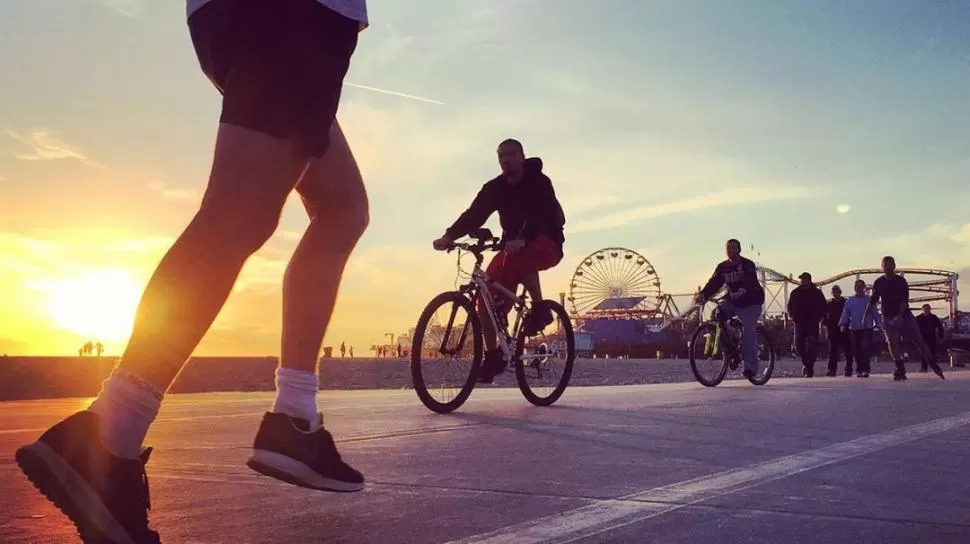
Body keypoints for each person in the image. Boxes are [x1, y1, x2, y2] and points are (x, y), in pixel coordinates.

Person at [16, 1, 370, 542]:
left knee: (342, 207)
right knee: (241, 211)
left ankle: (294, 417)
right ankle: (110, 432)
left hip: (264, 19)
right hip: (294, 15)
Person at [432, 139, 566, 383]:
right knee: (486, 294)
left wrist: (524, 239)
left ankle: (539, 308)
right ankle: (492, 355)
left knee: (520, 258)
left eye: (511, 154)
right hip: (512, 246)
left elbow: (544, 214)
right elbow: (474, 214)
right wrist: (449, 236)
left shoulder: (539, 182)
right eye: (501, 156)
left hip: (546, 241)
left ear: (522, 156)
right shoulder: (495, 188)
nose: (506, 159)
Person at [694, 239, 766, 380]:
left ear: (739, 250)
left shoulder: (747, 265)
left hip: (752, 302)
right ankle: (730, 346)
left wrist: (742, 290)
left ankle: (750, 368)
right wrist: (703, 294)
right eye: (728, 248)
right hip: (733, 300)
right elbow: (714, 283)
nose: (730, 250)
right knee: (717, 313)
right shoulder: (722, 267)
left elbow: (750, 281)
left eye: (733, 248)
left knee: (749, 332)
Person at [866, 256, 945, 381]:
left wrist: (899, 315)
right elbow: (873, 301)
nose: (887, 267)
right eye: (885, 265)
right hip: (887, 317)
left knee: (918, 340)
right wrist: (865, 316)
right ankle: (900, 367)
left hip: (905, 316)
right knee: (891, 341)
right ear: (882, 267)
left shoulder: (900, 281)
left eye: (890, 264)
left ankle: (932, 362)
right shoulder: (879, 282)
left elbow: (904, 301)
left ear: (894, 266)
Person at [838, 279, 881, 378]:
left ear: (864, 288)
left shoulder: (869, 300)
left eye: (861, 286)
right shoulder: (850, 301)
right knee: (857, 350)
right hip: (854, 328)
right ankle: (859, 370)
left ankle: (866, 369)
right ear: (854, 288)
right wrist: (842, 324)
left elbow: (875, 312)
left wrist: (879, 324)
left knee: (865, 348)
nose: (859, 288)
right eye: (857, 286)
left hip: (867, 328)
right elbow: (846, 313)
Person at [787, 272, 827, 377]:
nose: (802, 281)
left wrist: (820, 317)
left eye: (804, 279)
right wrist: (792, 315)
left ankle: (809, 369)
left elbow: (823, 305)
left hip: (812, 323)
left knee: (812, 346)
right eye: (801, 279)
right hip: (799, 322)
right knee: (798, 346)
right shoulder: (795, 292)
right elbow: (789, 305)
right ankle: (807, 364)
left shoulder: (817, 293)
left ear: (809, 280)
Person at [824, 285, 854, 377]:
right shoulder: (828, 304)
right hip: (832, 330)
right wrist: (825, 324)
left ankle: (848, 369)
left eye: (837, 291)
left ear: (840, 292)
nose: (835, 293)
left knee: (848, 350)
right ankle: (831, 370)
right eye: (834, 292)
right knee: (832, 351)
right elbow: (824, 316)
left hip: (844, 329)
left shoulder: (846, 302)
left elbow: (850, 314)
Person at [915, 304, 945, 373]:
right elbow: (914, 328)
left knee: (932, 353)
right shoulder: (919, 318)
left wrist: (941, 336)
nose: (927, 311)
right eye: (925, 309)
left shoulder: (934, 317)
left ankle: (934, 368)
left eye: (928, 309)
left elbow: (940, 327)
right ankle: (924, 368)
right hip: (922, 338)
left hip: (932, 338)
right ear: (922, 310)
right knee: (924, 353)